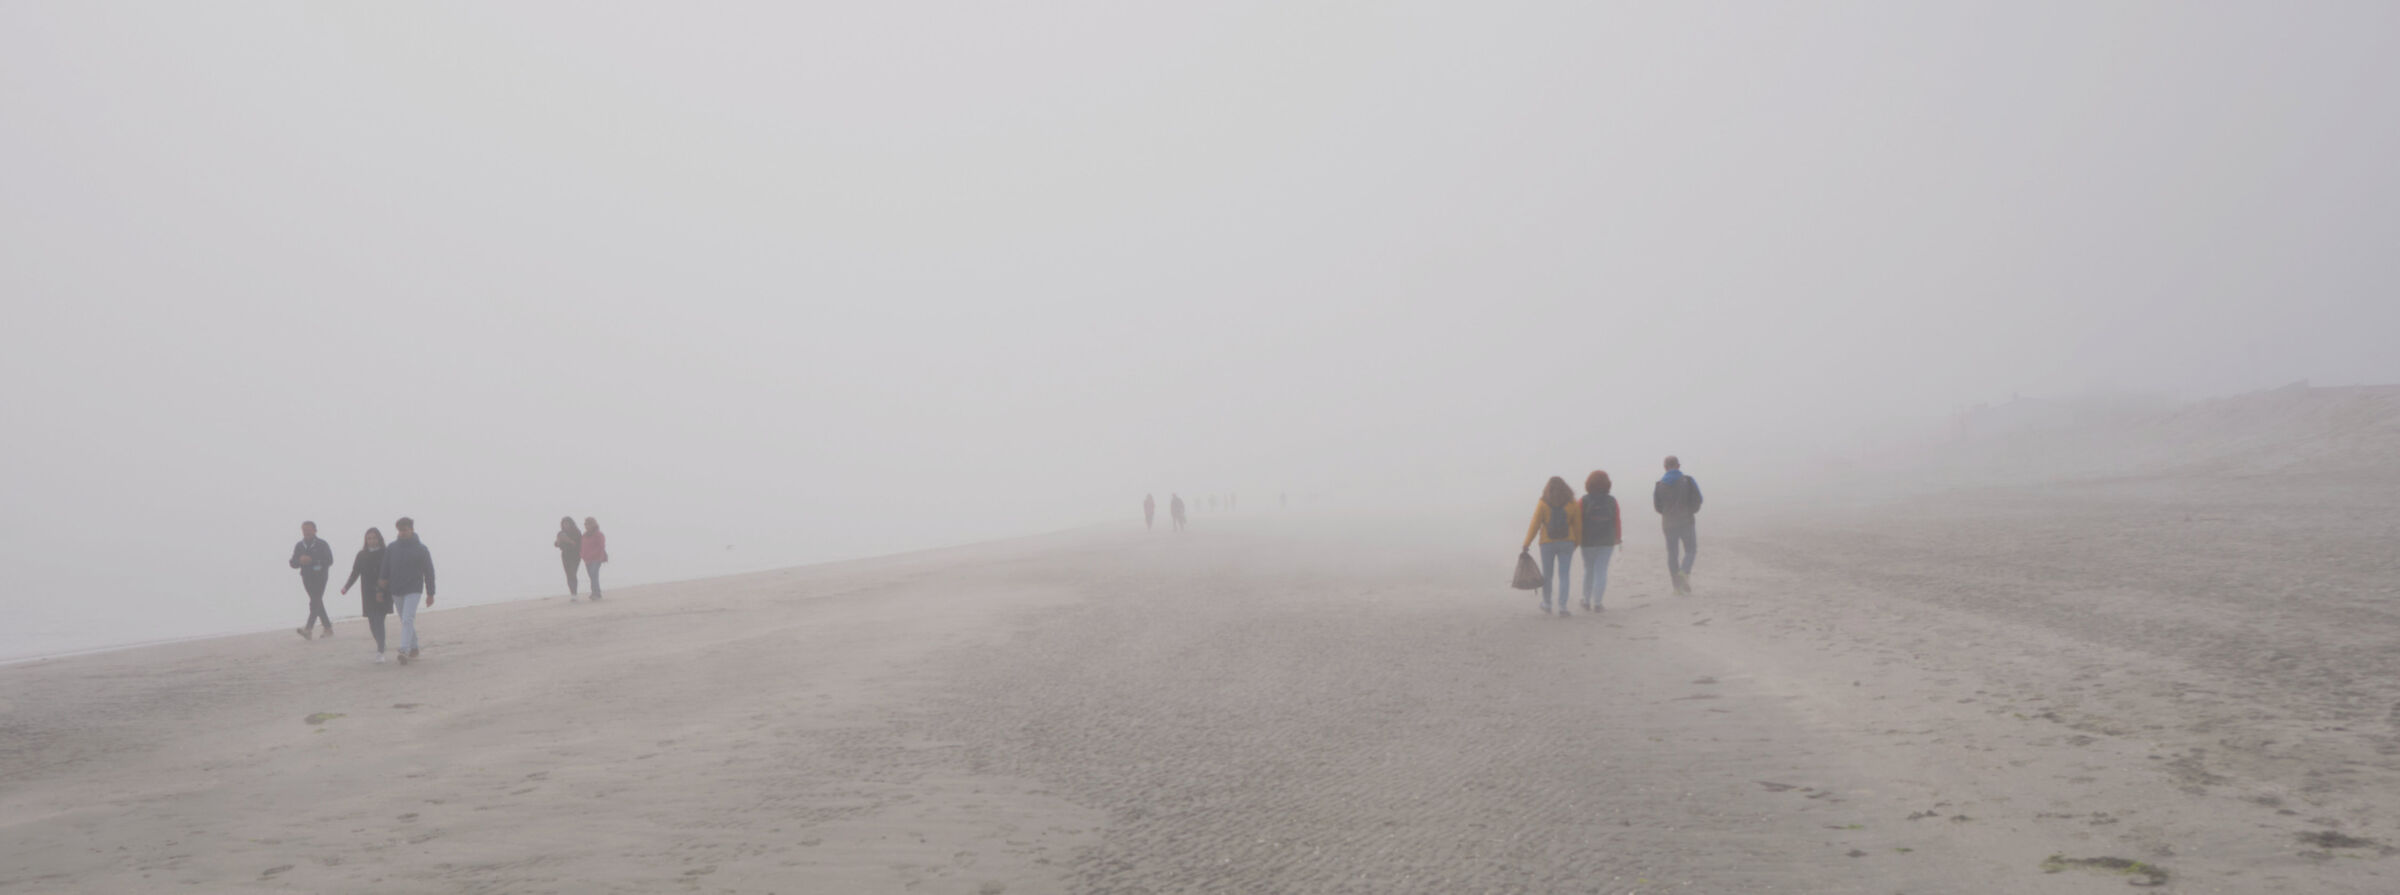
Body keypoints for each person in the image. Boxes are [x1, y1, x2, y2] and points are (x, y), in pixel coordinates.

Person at [1519, 476, 1583, 616]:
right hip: (1567, 542)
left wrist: (1526, 543)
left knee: (1547, 575)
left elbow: (1535, 525)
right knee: (1564, 575)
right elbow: (1578, 525)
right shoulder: (1572, 503)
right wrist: (1576, 542)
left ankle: (1547, 604)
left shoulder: (1543, 503)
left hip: (1547, 543)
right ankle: (1562, 607)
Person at [380, 517, 436, 664]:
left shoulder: (421, 549)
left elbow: (429, 572)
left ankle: (404, 649)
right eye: (400, 530)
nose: (402, 533)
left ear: (411, 529)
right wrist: (380, 589)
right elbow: (385, 569)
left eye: (405, 530)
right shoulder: (392, 548)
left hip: (414, 588)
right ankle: (414, 647)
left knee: (407, 618)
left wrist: (431, 593)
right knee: (405, 619)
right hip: (396, 589)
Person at [339, 528, 391, 662]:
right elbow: (355, 573)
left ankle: (380, 651)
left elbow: (391, 572)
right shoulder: (361, 555)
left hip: (383, 591)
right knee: (372, 623)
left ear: (379, 539)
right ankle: (381, 643)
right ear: (365, 540)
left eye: (374, 538)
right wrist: (346, 587)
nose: (371, 541)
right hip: (367, 592)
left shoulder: (385, 553)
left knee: (379, 621)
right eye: (369, 538)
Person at [1654, 455, 1704, 595]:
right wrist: (1691, 511)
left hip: (1668, 523)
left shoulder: (1659, 485)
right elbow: (1698, 499)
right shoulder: (1687, 480)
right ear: (1678, 465)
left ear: (1665, 467)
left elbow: (1658, 507)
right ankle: (1684, 572)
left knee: (1672, 554)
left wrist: (1668, 513)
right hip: (1686, 521)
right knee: (1691, 550)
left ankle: (1677, 587)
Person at [1578, 470, 1623, 612]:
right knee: (1601, 571)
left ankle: (1586, 600)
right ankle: (1598, 602)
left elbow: (1578, 521)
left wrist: (1576, 538)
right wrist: (1618, 537)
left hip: (1587, 541)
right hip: (1606, 540)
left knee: (1588, 570)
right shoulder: (1611, 500)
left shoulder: (1583, 501)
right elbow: (1617, 520)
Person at [289, 521, 335, 639]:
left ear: (315, 530)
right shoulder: (299, 545)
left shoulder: (322, 544)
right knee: (316, 602)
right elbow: (292, 563)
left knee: (315, 601)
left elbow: (329, 560)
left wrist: (312, 560)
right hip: (306, 577)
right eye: (304, 530)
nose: (307, 532)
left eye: (309, 529)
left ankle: (308, 628)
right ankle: (328, 627)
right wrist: (300, 560)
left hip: (320, 576)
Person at [554, 516, 583, 598]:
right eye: (564, 524)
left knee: (573, 573)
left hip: (575, 556)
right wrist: (557, 542)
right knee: (568, 575)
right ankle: (573, 593)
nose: (565, 525)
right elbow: (557, 544)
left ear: (571, 523)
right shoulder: (561, 533)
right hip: (565, 556)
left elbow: (578, 543)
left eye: (567, 523)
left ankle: (575, 593)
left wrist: (570, 541)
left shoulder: (576, 532)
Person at [580, 517, 609, 600]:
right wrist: (582, 554)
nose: (586, 526)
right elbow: (583, 546)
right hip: (587, 559)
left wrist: (598, 555)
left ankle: (596, 593)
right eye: (585, 524)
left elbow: (601, 546)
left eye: (588, 524)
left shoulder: (599, 534)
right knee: (592, 576)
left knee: (594, 575)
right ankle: (596, 592)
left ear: (593, 524)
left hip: (597, 558)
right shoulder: (584, 535)